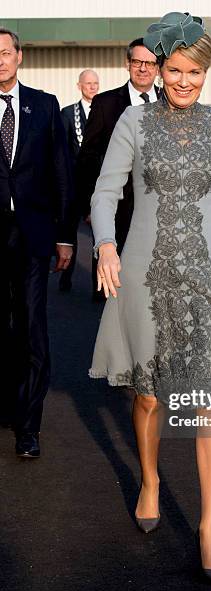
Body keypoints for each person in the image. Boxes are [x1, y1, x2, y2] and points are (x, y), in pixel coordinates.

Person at [88, 12, 211, 585]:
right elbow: (104, 193)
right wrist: (104, 244)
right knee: (147, 398)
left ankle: (208, 527)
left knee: (210, 403)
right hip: (144, 276)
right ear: (159, 69)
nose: (183, 80)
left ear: (206, 72)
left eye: (194, 71)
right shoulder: (132, 123)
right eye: (174, 69)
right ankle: (149, 479)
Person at [0, 28, 75, 456]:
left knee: (31, 325)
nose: (0, 61)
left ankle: (29, 424)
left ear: (19, 57)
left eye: (6, 53)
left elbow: (62, 174)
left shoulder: (44, 107)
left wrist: (66, 236)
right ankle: (7, 404)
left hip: (33, 235)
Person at [76, 38, 160, 301]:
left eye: (150, 63)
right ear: (128, 64)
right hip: (118, 211)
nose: (143, 68)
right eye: (138, 62)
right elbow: (87, 158)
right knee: (115, 294)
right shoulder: (105, 103)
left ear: (158, 67)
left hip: (161, 212)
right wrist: (91, 207)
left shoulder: (171, 103)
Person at [59, 69, 100, 292]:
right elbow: (62, 152)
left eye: (95, 83)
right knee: (70, 234)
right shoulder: (67, 114)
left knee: (99, 235)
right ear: (79, 86)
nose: (92, 87)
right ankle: (66, 276)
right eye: (88, 83)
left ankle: (98, 285)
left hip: (97, 184)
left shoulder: (105, 111)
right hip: (75, 184)